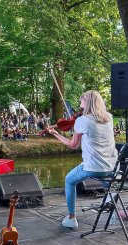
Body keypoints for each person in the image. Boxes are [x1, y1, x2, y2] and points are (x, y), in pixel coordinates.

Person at [48, 90, 117, 228]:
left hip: (93, 167)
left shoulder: (82, 120)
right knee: (107, 182)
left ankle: (72, 218)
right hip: (111, 166)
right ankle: (112, 211)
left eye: (82, 100)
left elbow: (73, 145)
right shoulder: (109, 117)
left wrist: (56, 134)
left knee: (69, 180)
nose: (80, 103)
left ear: (88, 102)